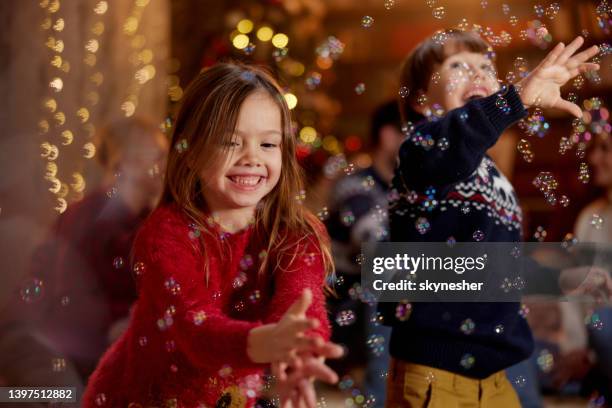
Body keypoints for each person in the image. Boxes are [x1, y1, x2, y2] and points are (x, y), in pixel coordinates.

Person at [82, 63, 343, 408]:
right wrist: (267, 342)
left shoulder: (297, 233)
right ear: (190, 153)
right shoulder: (166, 232)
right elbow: (196, 331)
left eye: (268, 144)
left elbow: (300, 303)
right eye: (230, 141)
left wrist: (300, 350)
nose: (252, 157)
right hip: (138, 398)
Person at [380, 29, 601, 406]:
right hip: (435, 370)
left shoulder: (498, 182)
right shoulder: (423, 148)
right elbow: (459, 135)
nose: (478, 72)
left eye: (486, 66)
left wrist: (561, 277)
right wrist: (515, 98)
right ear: (420, 99)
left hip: (496, 374)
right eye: (458, 65)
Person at [0, 116, 169, 400]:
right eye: (160, 155)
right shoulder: (92, 217)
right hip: (37, 343)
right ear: (128, 160)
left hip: (68, 349)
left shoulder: (140, 226)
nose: (167, 166)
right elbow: (71, 305)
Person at [325, 100, 403, 406]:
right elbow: (373, 241)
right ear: (388, 136)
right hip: (344, 314)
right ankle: (379, 398)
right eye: (415, 131)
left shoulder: (410, 190)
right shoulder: (355, 187)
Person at [573, 131, 612, 399]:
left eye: (605, 149)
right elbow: (574, 290)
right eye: (593, 149)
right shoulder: (590, 218)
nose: (594, 158)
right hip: (597, 342)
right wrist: (575, 346)